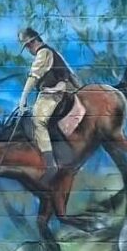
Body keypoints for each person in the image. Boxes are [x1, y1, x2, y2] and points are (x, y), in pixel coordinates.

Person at [13, 26, 79, 178]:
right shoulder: (51, 51)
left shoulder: (43, 53)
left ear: (33, 42)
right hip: (54, 90)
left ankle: (50, 165)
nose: (28, 49)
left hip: (55, 91)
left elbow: (33, 76)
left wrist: (23, 99)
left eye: (27, 46)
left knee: (38, 120)